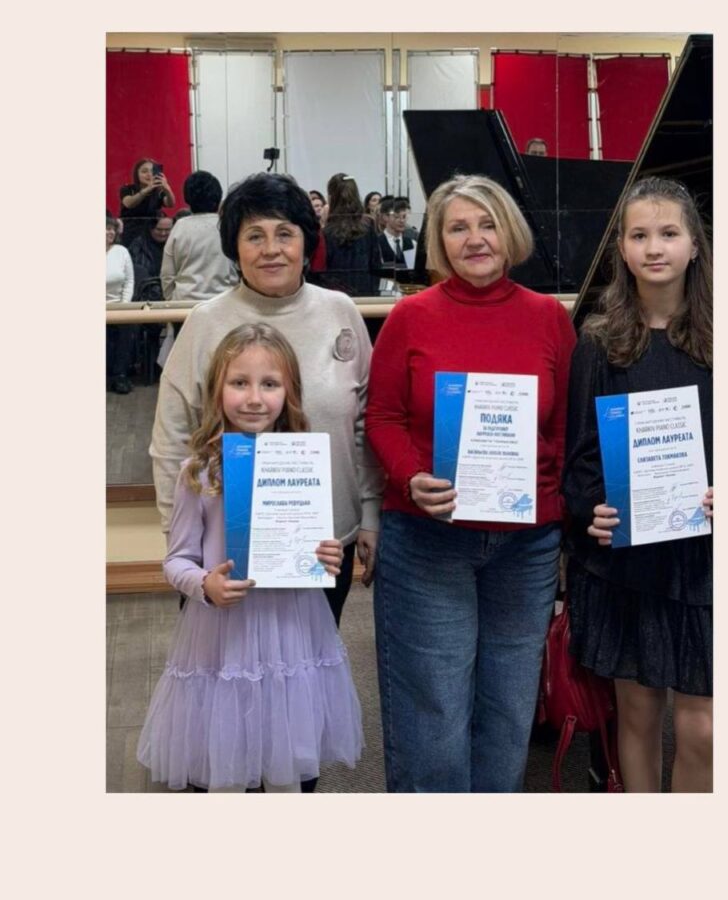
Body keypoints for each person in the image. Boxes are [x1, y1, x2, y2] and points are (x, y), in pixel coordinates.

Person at [365, 173, 576, 792]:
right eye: (458, 227)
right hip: (428, 537)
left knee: (509, 710)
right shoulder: (410, 317)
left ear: (509, 232)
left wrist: (558, 510)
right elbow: (382, 417)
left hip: (526, 545)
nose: (475, 239)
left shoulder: (549, 319)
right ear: (439, 240)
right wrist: (411, 475)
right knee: (432, 711)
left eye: (487, 224)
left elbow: (566, 427)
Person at [150, 172, 382, 632]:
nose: (271, 249)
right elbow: (172, 438)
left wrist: (370, 514)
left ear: (306, 241)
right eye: (254, 235)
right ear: (235, 247)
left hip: (323, 544)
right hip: (223, 550)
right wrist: (181, 541)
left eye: (284, 234)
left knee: (307, 665)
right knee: (227, 670)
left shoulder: (340, 312)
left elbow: (364, 423)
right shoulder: (205, 322)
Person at [138, 323, 363, 792]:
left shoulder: (303, 463)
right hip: (225, 636)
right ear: (217, 390)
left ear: (290, 392)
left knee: (286, 768)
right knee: (226, 767)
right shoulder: (200, 471)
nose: (255, 398)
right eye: (239, 383)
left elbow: (312, 548)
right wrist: (205, 584)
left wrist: (325, 557)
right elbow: (176, 560)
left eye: (270, 384)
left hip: (291, 629)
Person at [562, 176, 713, 793]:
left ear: (695, 244)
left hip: (707, 558)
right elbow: (580, 456)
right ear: (621, 249)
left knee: (705, 729)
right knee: (639, 714)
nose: (654, 248)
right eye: (639, 235)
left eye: (669, 233)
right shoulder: (599, 342)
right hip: (628, 559)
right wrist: (590, 510)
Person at [160, 171, 239, 301]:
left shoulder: (180, 226)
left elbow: (167, 273)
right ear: (218, 197)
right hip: (224, 300)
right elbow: (238, 267)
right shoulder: (227, 226)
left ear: (187, 198)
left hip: (184, 302)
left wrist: (172, 300)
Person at [322, 172, 380, 296]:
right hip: (366, 293)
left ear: (331, 197)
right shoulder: (368, 225)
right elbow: (376, 264)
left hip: (336, 295)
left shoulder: (326, 231)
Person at [106, 216, 135, 394]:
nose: (110, 232)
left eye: (112, 229)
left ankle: (120, 376)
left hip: (119, 306)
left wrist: (124, 306)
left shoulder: (122, 251)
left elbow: (129, 281)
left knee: (127, 328)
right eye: (106, 228)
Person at [119, 158, 176, 247]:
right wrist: (147, 189)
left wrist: (167, 188)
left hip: (152, 235)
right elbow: (129, 203)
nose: (149, 174)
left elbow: (170, 204)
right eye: (144, 171)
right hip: (131, 233)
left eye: (152, 171)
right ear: (137, 174)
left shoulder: (158, 191)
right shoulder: (128, 189)